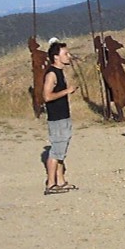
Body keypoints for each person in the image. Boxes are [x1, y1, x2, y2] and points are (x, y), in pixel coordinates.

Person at [42, 40, 78, 194]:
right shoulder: (51, 74)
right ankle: (51, 184)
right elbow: (47, 96)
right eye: (65, 54)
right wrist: (67, 91)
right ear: (56, 57)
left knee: (61, 150)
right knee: (56, 150)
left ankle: (60, 180)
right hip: (56, 118)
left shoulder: (59, 71)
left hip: (64, 116)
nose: (68, 56)